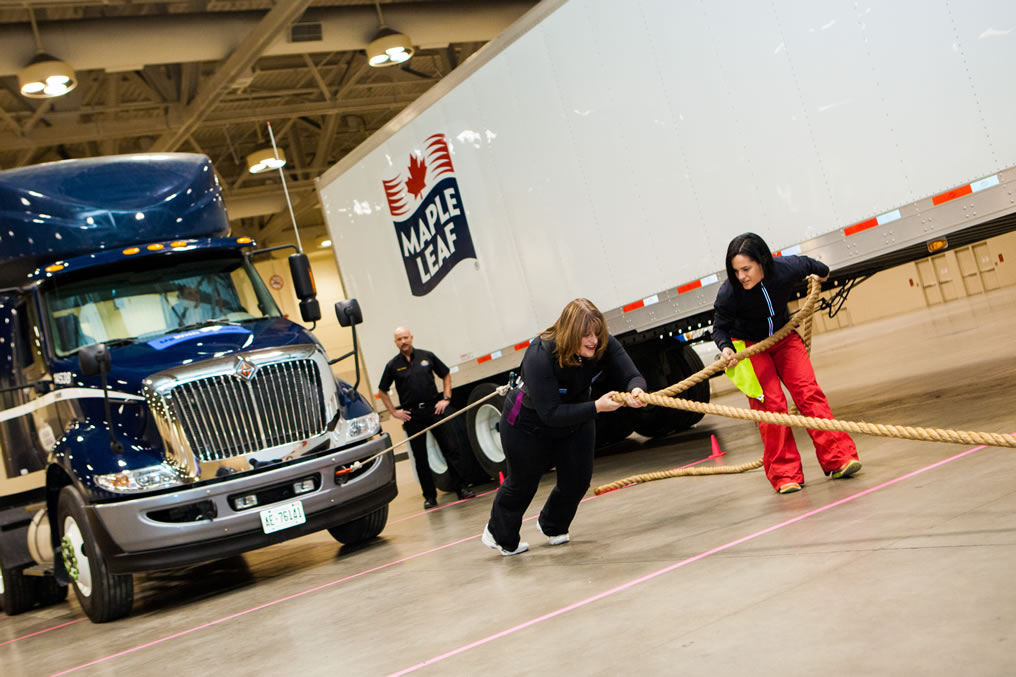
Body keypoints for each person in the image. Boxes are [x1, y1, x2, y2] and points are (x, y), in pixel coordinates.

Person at [482, 298, 647, 556]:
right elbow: (551, 413)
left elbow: (631, 375)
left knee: (578, 477)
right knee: (523, 482)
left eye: (596, 333)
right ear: (570, 333)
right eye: (586, 335)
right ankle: (499, 533)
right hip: (528, 420)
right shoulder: (540, 353)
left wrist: (636, 389)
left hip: (575, 412)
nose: (593, 340)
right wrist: (596, 407)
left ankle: (552, 524)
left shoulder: (602, 343)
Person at [713, 232, 861, 495]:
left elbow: (817, 267)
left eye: (746, 269)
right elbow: (720, 329)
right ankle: (784, 474)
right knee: (772, 407)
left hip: (783, 337)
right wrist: (726, 349)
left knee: (808, 393)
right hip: (749, 346)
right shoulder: (729, 293)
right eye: (736, 271)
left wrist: (821, 276)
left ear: (762, 262)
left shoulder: (785, 269)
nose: (742, 276)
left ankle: (839, 459)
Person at [377, 327, 475, 509]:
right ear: (395, 342)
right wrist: (394, 412)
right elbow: (382, 391)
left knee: (451, 449)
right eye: (399, 339)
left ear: (411, 337)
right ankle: (429, 497)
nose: (403, 341)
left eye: (405, 337)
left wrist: (446, 398)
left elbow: (445, 374)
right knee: (420, 458)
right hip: (412, 416)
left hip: (434, 410)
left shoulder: (427, 356)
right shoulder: (393, 365)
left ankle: (462, 489)